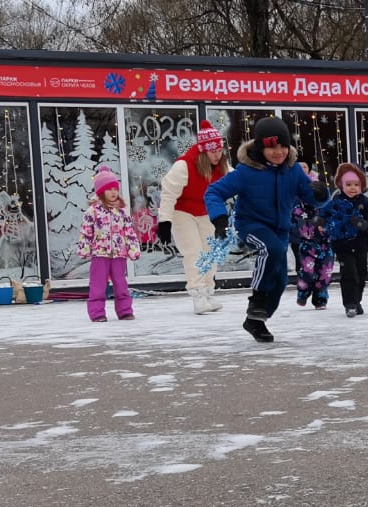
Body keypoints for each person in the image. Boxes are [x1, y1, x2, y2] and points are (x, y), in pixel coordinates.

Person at [203, 115, 324, 343]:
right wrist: (219, 218)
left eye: (283, 146)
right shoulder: (246, 172)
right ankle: (257, 300)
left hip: (280, 230)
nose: (279, 152)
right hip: (251, 225)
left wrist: (320, 194)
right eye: (271, 148)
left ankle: (256, 320)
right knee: (271, 250)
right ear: (260, 148)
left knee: (279, 279)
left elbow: (311, 197)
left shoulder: (293, 170)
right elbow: (214, 192)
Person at [157, 119, 230, 314]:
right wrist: (165, 222)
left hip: (205, 212)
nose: (217, 155)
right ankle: (198, 295)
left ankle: (208, 292)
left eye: (219, 150)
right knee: (194, 252)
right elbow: (168, 194)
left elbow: (237, 182)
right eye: (212, 152)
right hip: (182, 212)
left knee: (210, 252)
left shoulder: (223, 166)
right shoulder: (184, 165)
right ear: (203, 151)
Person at [79, 165, 139, 322]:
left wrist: (133, 249)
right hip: (100, 254)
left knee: (121, 284)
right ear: (101, 191)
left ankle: (125, 311)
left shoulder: (122, 212)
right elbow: (86, 232)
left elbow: (129, 232)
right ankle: (97, 313)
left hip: (119, 254)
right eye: (109, 189)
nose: (113, 192)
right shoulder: (93, 211)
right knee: (98, 285)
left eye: (115, 189)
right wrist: (84, 248)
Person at [322, 162, 368, 317]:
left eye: (356, 185)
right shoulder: (336, 203)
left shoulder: (365, 203)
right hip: (342, 245)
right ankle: (350, 304)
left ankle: (357, 301)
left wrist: (364, 224)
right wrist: (320, 223)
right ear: (341, 185)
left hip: (360, 244)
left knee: (361, 274)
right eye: (348, 184)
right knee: (349, 273)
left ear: (362, 185)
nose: (352, 188)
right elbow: (325, 216)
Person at [290, 172, 336, 310]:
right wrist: (294, 234)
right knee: (307, 271)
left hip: (326, 245)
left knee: (325, 273)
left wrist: (327, 227)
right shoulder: (298, 210)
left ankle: (320, 299)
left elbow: (335, 223)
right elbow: (290, 224)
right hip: (307, 245)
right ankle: (303, 293)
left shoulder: (327, 209)